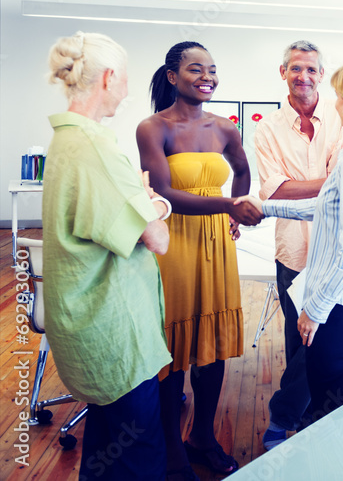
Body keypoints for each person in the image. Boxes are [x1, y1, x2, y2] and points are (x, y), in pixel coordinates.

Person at [237, 60, 343, 422]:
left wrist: (316, 309)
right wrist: (266, 208)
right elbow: (327, 205)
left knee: (329, 423)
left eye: (340, 95)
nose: (336, 103)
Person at [42, 32, 172, 481]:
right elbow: (157, 239)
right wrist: (156, 203)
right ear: (110, 77)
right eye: (127, 80)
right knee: (141, 454)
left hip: (87, 332)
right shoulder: (97, 149)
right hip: (115, 337)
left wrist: (140, 197)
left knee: (106, 447)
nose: (130, 90)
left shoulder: (65, 142)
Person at [137, 41, 260, 479]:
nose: (207, 76)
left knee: (213, 345)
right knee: (173, 348)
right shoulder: (153, 127)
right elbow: (165, 193)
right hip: (174, 242)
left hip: (216, 242)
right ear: (173, 76)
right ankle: (172, 448)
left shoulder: (226, 128)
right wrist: (229, 208)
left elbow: (243, 170)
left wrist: (238, 203)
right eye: (195, 69)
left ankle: (203, 438)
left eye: (211, 68)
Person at [253, 41, 343, 449]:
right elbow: (272, 190)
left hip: (337, 247)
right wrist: (332, 180)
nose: (304, 77)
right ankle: (291, 421)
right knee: (299, 338)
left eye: (311, 70)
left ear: (321, 75)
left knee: (334, 334)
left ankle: (311, 417)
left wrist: (296, 187)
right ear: (283, 73)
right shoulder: (267, 128)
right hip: (292, 250)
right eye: (296, 69)